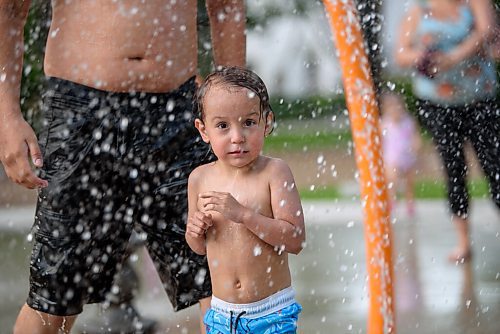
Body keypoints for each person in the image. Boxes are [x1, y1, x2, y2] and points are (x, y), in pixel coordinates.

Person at [0, 1, 246, 333]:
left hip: (177, 109)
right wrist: (7, 117)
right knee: (52, 296)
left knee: (222, 285)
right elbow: (11, 8)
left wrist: (234, 113)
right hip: (82, 111)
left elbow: (226, 5)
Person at [185, 66, 305, 333]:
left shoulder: (274, 172)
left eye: (249, 123)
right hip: (221, 314)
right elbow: (199, 248)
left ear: (267, 122)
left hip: (271, 313)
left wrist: (244, 215)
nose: (237, 137)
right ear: (203, 130)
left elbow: (295, 240)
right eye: (223, 126)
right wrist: (195, 231)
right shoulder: (199, 179)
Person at [395, 0, 499, 263]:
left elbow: (487, 31)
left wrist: (453, 57)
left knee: (495, 166)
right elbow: (400, 54)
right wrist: (422, 57)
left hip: (480, 98)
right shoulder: (419, 9)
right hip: (438, 104)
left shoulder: (474, 2)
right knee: (454, 169)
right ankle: (463, 243)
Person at [380, 92, 422, 218]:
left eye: (398, 107)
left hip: (407, 156)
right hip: (391, 158)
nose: (395, 110)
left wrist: (416, 145)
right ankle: (392, 201)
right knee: (392, 181)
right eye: (391, 108)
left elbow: (415, 136)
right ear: (386, 110)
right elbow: (380, 141)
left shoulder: (408, 121)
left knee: (409, 182)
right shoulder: (384, 124)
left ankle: (410, 203)